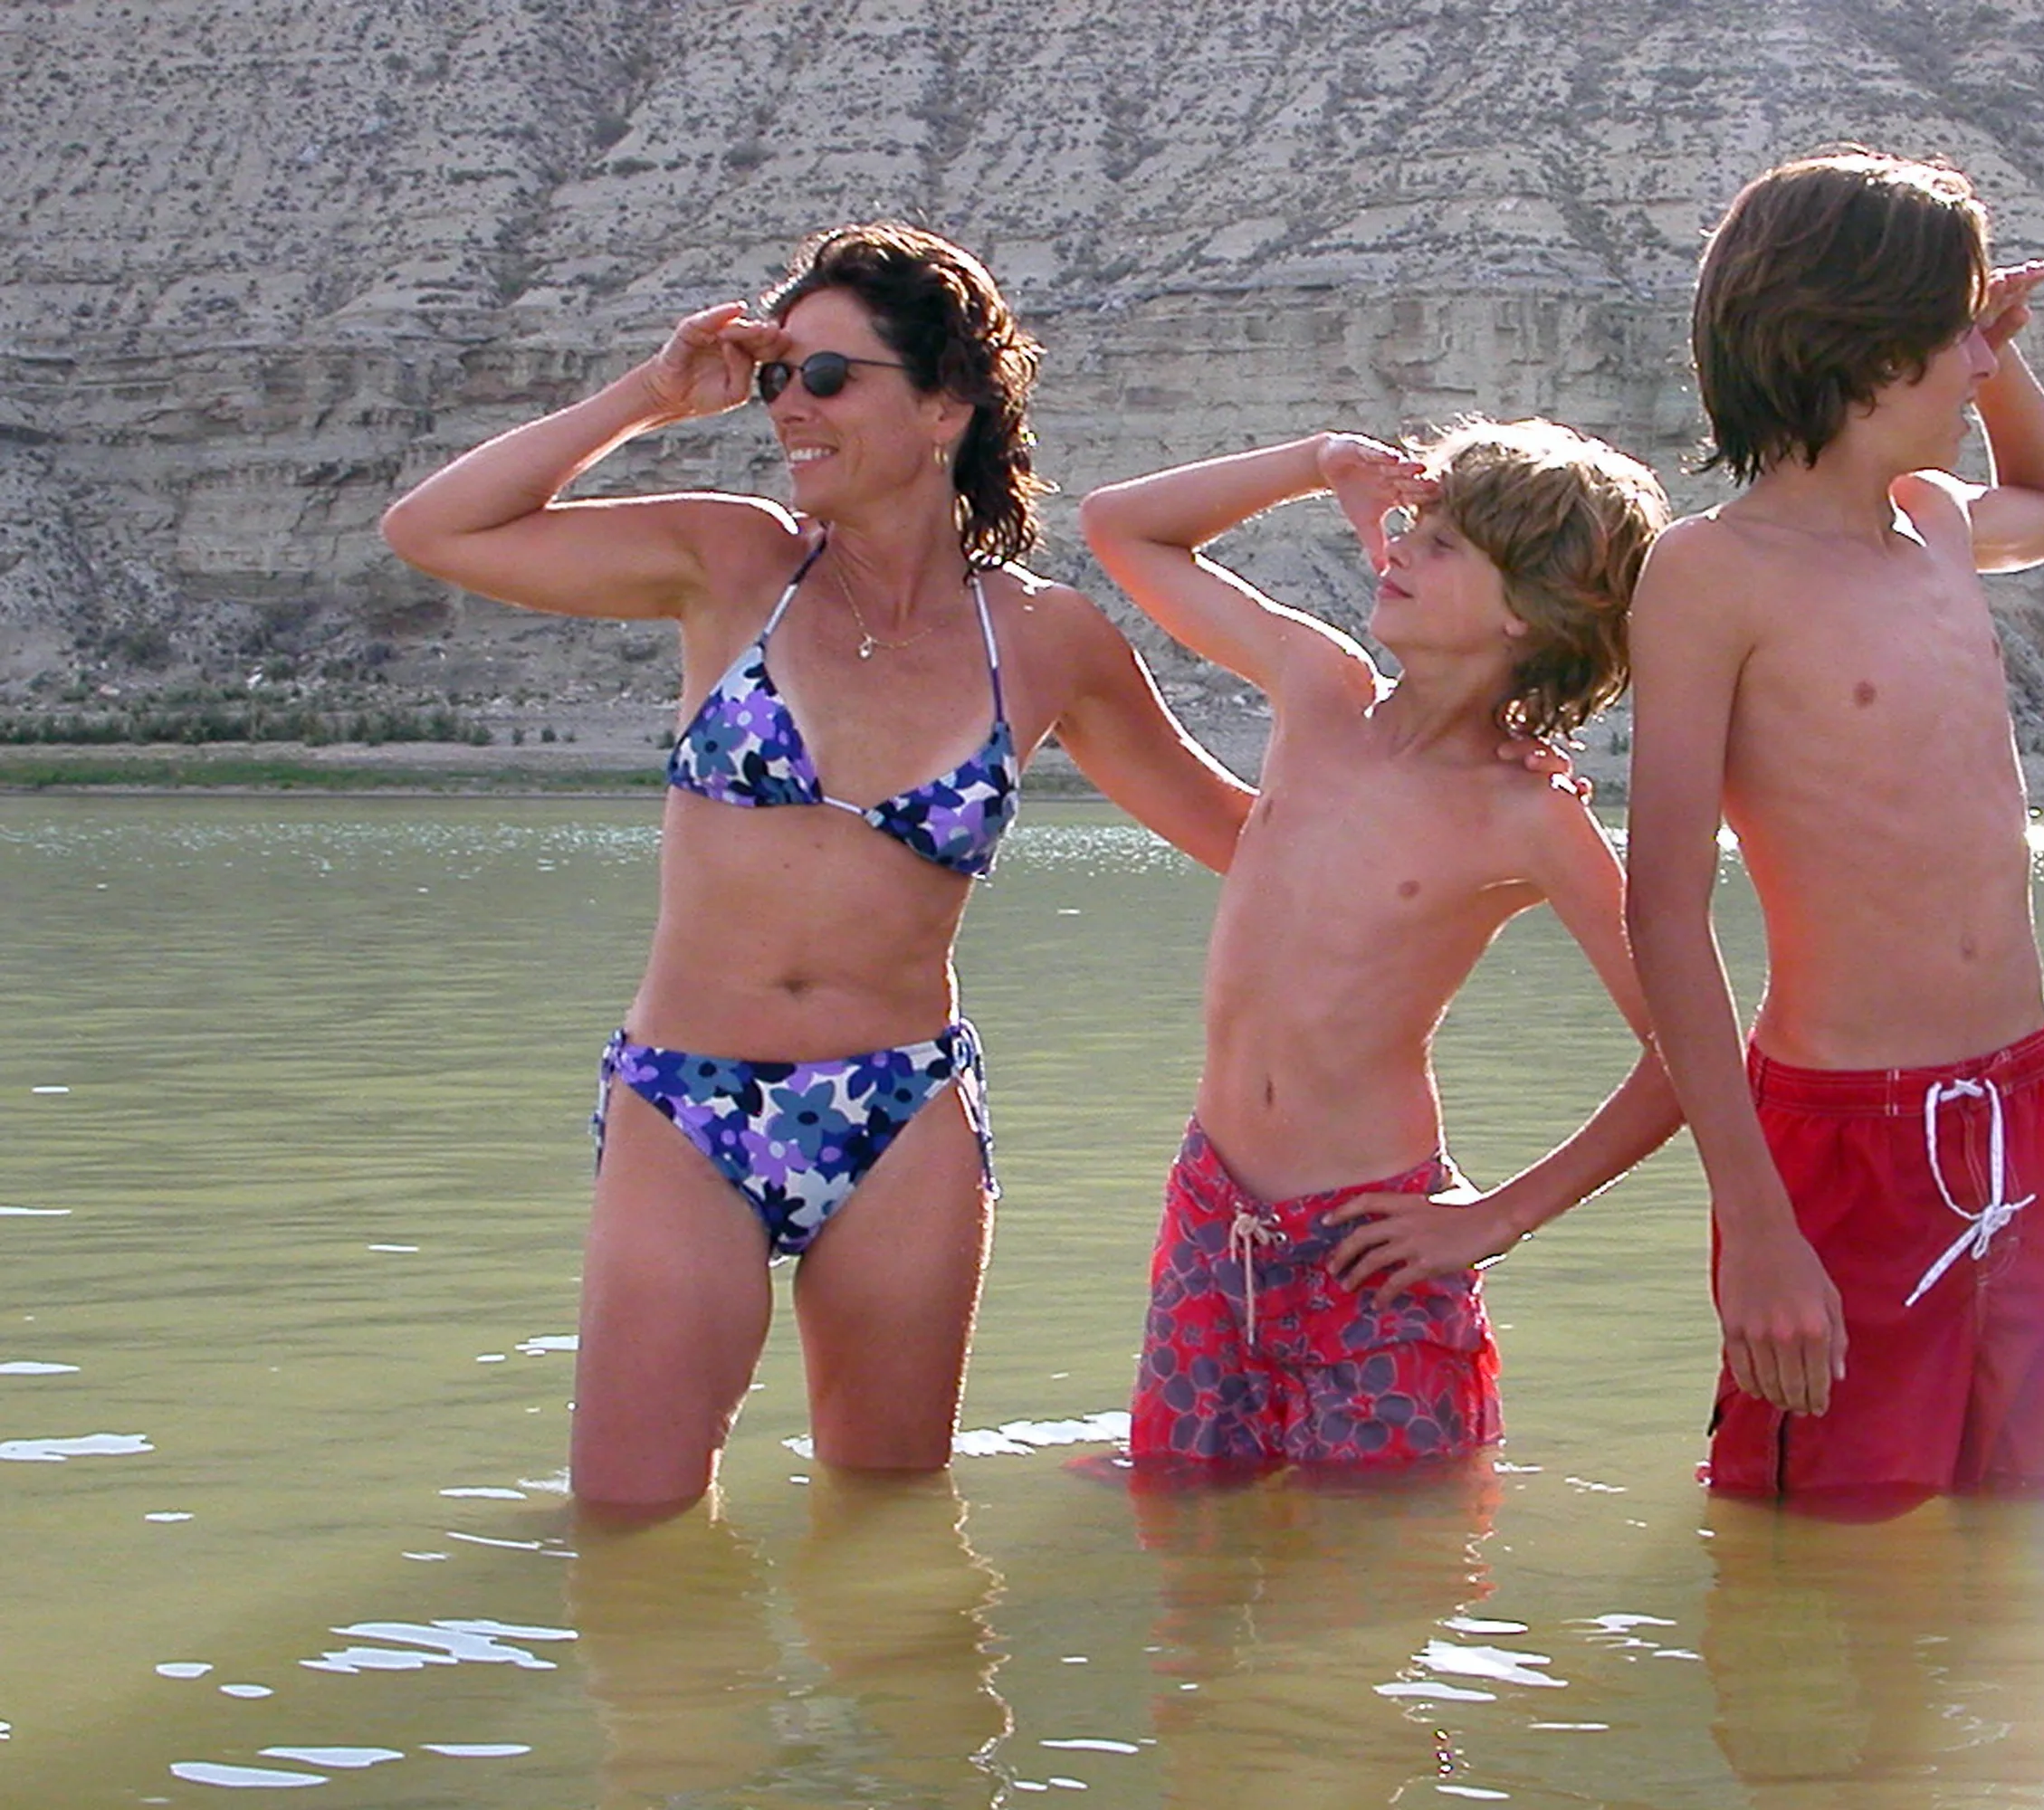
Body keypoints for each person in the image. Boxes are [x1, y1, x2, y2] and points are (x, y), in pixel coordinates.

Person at [381, 223, 1254, 1515]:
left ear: (946, 402)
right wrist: (650, 396)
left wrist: (1475, 798)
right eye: (779, 376)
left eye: (829, 378)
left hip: (900, 1116)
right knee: (630, 1523)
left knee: (894, 1527)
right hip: (688, 1102)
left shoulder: (1046, 643)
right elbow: (433, 529)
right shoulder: (732, 563)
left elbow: (1243, 837)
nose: (789, 403)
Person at [1624, 150, 2044, 1515]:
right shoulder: (1711, 574)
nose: (1975, 362)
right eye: (1954, 333)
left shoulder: (1939, 523)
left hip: (2022, 1103)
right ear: (1856, 344)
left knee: (2034, 1507)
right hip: (1842, 1144)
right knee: (1823, 1548)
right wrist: (1760, 1228)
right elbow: (1662, 909)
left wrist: (1997, 352)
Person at [1078, 420, 1680, 1465]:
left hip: (1379, 1247)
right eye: (1418, 522)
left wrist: (1496, 1217)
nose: (1403, 546)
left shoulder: (1528, 815)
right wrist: (1315, 464)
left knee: (1382, 1580)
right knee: (1180, 1549)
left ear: (1532, 610)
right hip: (1212, 1216)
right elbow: (1122, 530)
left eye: (1445, 544)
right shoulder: (1317, 685)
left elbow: (1684, 1051)